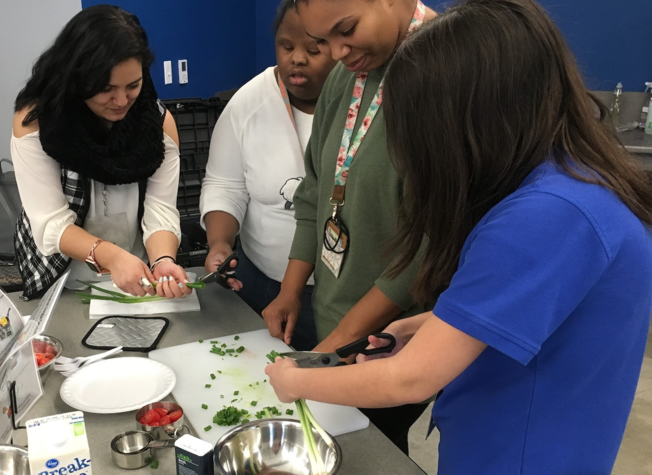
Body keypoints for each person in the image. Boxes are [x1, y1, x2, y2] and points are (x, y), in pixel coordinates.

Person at [265, 0, 652, 473]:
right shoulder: (568, 186)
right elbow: (513, 311)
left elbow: (411, 379)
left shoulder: (547, 217)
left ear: (468, 118)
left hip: (519, 456)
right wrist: (416, 325)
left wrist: (295, 379)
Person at [262, 0, 437, 453]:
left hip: (394, 337)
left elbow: (422, 253)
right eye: (323, 41)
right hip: (336, 320)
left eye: (346, 30)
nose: (336, 53)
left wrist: (334, 348)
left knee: (370, 450)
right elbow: (316, 190)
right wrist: (291, 290)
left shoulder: (443, 72)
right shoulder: (348, 75)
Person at [11, 5, 191, 301]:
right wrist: (110, 256)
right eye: (106, 88)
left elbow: (160, 211)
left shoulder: (157, 124)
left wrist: (162, 261)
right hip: (61, 269)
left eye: (133, 85)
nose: (121, 101)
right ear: (76, 78)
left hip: (134, 266)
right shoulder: (38, 121)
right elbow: (50, 222)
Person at [200, 0, 337, 351]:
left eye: (313, 48)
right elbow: (225, 184)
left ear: (341, 48)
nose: (297, 58)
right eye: (286, 46)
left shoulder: (360, 104)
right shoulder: (249, 103)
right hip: (263, 285)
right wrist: (220, 243)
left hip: (344, 297)